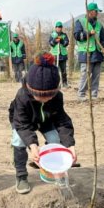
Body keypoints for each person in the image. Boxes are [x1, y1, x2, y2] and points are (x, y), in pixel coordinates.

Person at [8, 52, 76, 194]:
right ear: (30, 89)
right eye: (38, 96)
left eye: (49, 96)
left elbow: (62, 121)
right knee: (18, 141)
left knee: (55, 139)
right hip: (23, 122)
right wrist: (33, 146)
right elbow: (22, 125)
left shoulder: (57, 97)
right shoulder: (22, 97)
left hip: (46, 120)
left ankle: (49, 168)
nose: (44, 100)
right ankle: (21, 175)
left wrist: (70, 145)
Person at [74, 2, 104, 101]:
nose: (97, 13)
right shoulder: (80, 22)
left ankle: (94, 95)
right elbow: (77, 36)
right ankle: (81, 94)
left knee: (96, 75)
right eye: (95, 11)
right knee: (85, 74)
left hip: (97, 53)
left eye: (97, 11)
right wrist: (88, 33)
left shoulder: (99, 25)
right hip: (86, 53)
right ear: (89, 12)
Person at [49, 21, 70, 87]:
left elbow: (66, 43)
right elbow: (51, 43)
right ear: (55, 28)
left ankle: (65, 83)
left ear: (61, 28)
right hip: (54, 55)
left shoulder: (64, 35)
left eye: (60, 27)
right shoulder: (52, 35)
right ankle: (55, 84)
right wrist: (55, 41)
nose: (59, 28)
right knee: (55, 71)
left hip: (63, 55)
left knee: (63, 71)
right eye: (57, 27)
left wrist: (61, 40)